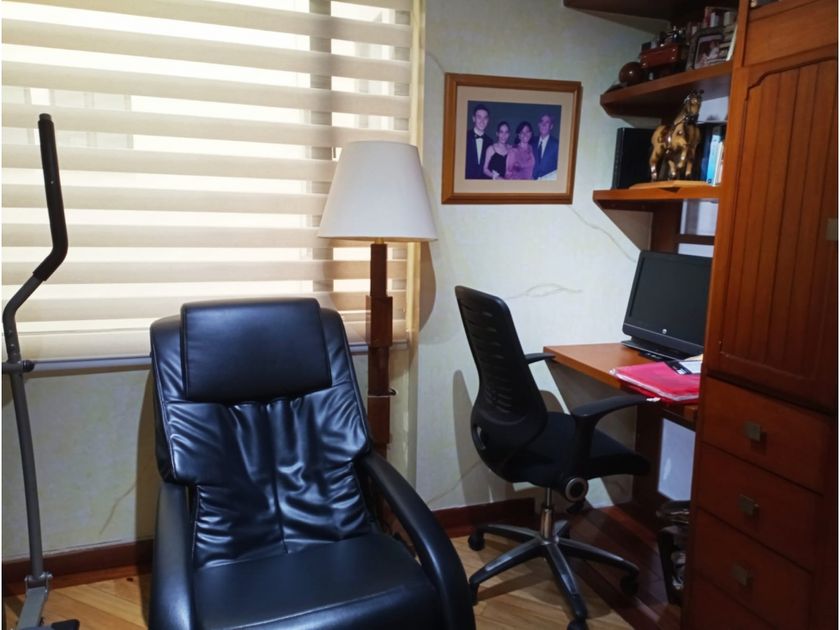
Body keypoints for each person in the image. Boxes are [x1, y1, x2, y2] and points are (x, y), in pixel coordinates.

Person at [465, 104, 492, 179]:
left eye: (485, 118)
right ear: (474, 118)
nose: (482, 121)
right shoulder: (464, 136)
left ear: (488, 120)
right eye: (479, 117)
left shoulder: (490, 141)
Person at [531, 113, 559, 180]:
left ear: (551, 126)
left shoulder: (557, 145)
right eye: (541, 121)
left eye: (547, 122)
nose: (543, 124)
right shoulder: (532, 142)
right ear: (539, 125)